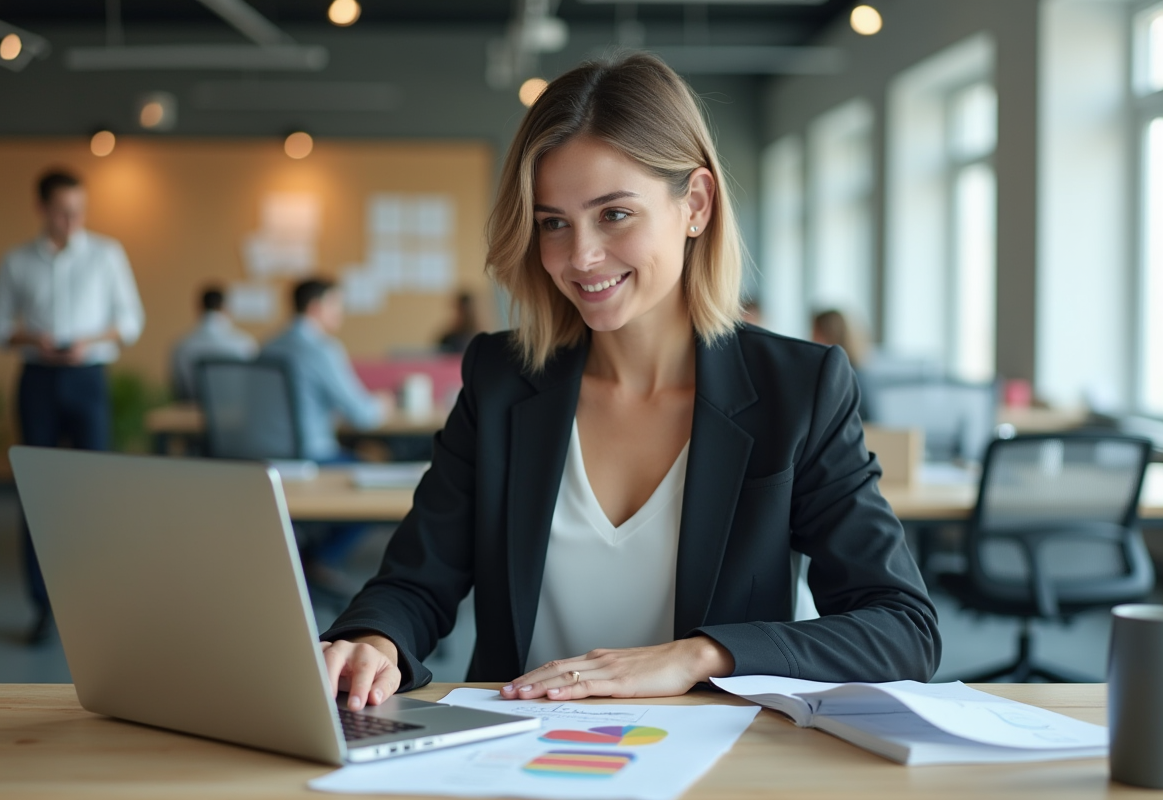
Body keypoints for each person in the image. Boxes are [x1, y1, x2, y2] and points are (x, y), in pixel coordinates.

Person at [319, 54, 939, 711]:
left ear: (695, 204)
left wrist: (698, 655)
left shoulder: (797, 389)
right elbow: (415, 582)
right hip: (517, 746)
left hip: (716, 752)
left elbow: (901, 627)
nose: (580, 257)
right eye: (553, 222)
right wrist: (374, 641)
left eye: (614, 214)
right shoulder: (502, 379)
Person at [0, 168, 144, 643]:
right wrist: (34, 339)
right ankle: (43, 606)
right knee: (36, 491)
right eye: (62, 211)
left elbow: (130, 320)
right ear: (41, 208)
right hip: (37, 379)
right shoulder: (16, 260)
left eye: (79, 210)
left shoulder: (106, 254)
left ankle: (95, 604)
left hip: (88, 377)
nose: (72, 220)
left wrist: (87, 342)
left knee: (94, 491)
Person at [261, 278, 388, 463]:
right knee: (377, 462)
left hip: (267, 459)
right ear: (315, 307)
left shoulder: (268, 346)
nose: (341, 311)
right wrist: (382, 404)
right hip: (314, 457)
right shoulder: (321, 350)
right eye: (335, 304)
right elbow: (362, 416)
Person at [169, 285, 257, 402]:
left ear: (200, 308)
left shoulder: (181, 346)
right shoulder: (244, 343)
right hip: (237, 409)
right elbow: (252, 383)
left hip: (194, 410)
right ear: (225, 307)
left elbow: (179, 389)